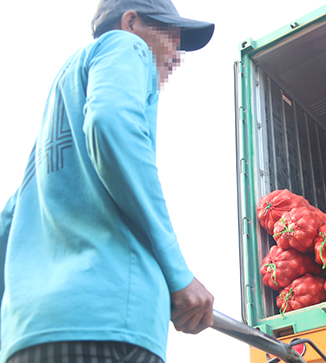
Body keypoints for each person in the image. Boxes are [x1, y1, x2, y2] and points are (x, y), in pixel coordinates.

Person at [0, 1, 215, 362]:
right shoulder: (124, 45)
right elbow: (111, 122)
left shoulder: (54, 123)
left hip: (30, 337)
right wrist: (178, 274)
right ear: (131, 22)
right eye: (170, 37)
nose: (176, 55)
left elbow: (9, 222)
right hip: (110, 323)